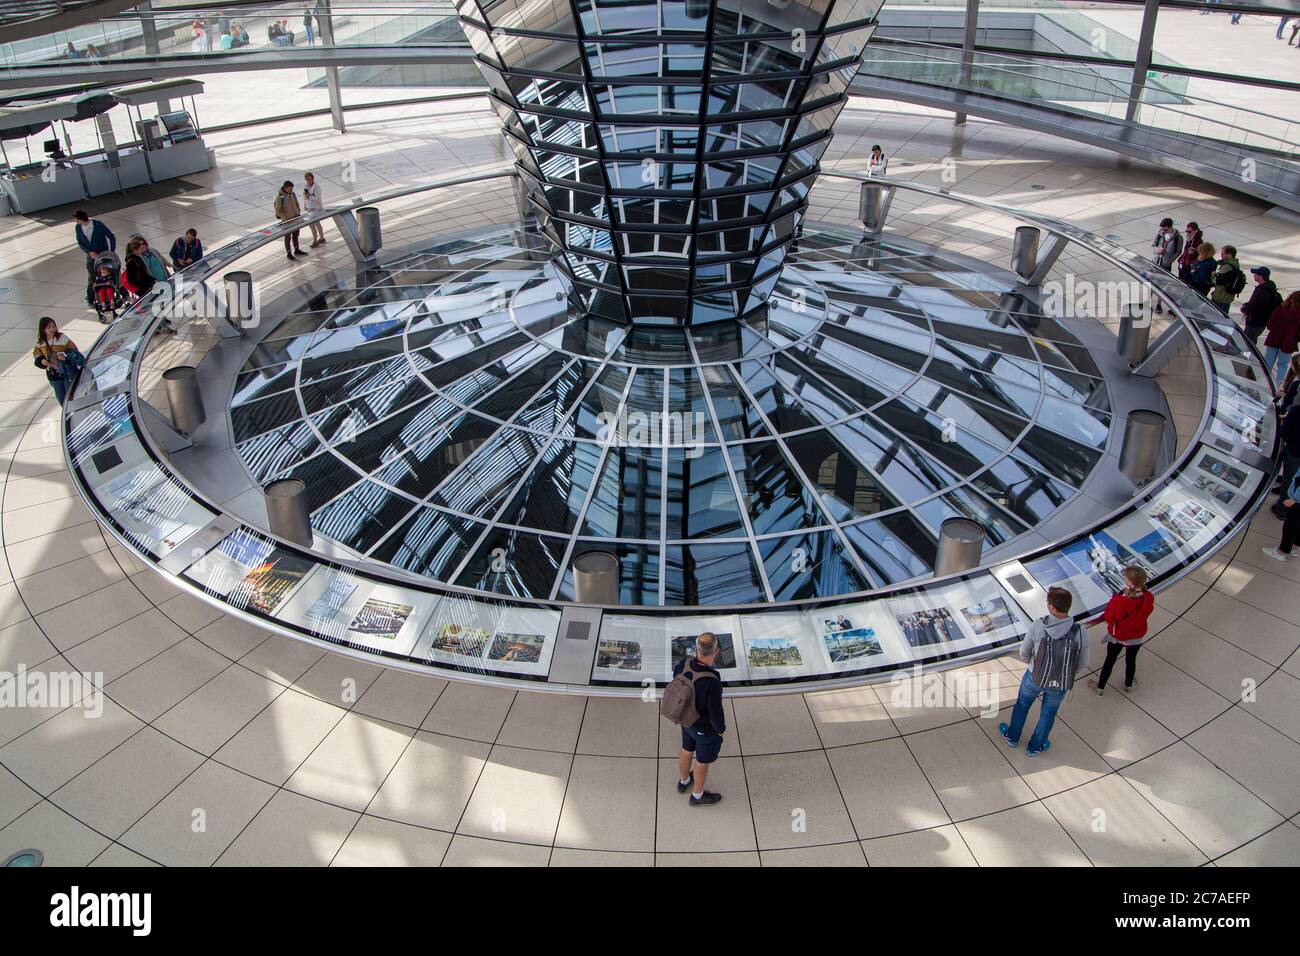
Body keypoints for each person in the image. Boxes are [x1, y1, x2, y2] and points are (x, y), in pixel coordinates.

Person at [999, 586, 1087, 757]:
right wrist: (1066, 673)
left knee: (1022, 705)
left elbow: (1024, 652)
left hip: (1034, 676)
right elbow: (1083, 662)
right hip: (1059, 682)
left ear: (1052, 607)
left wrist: (1032, 664)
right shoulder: (1079, 631)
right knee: (1048, 714)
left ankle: (1013, 737)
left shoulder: (1039, 625)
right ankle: (1035, 746)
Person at [672, 632, 726, 806]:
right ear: (715, 651)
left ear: (696, 649)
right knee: (702, 761)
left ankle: (684, 781)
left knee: (686, 748)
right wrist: (720, 729)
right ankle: (697, 796)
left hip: (685, 720)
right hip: (703, 727)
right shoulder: (712, 681)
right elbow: (715, 712)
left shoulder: (683, 664)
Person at [1090, 566, 1154, 696]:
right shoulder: (1148, 597)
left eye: (1126, 577)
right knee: (1131, 661)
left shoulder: (1121, 601)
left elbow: (1110, 617)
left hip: (1118, 636)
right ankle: (1128, 685)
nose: (1124, 578)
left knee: (1110, 661)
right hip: (1136, 636)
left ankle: (1100, 687)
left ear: (1131, 582)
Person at [33, 317, 85, 406]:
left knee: (71, 395)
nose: (52, 329)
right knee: (61, 398)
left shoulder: (62, 337)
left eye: (53, 326)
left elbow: (74, 351)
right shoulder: (41, 342)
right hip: (53, 374)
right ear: (43, 329)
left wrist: (65, 356)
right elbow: (36, 355)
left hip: (67, 372)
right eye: (48, 327)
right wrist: (42, 361)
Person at [73, 210, 116, 307]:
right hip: (91, 257)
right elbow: (80, 243)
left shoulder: (98, 225)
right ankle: (91, 299)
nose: (74, 221)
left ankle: (121, 294)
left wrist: (111, 252)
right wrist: (89, 252)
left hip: (103, 256)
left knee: (111, 274)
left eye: (75, 219)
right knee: (92, 278)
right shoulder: (78, 227)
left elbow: (111, 236)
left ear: (79, 219)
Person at [1262, 469, 1300, 563]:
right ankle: (1294, 547)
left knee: (1290, 526)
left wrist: (1295, 499)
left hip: (1297, 502)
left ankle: (1281, 552)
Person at [1263, 291, 1300, 382]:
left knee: (1268, 361)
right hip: (1289, 343)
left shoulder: (1279, 310)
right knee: (1283, 364)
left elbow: (1269, 325)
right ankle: (1279, 383)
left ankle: (1263, 379)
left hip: (1274, 338)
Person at [1241, 267, 1282, 346]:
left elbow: (1253, 305)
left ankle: (1249, 356)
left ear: (1261, 276)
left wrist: (1244, 309)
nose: (1253, 276)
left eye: (1255, 274)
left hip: (1255, 321)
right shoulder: (1268, 288)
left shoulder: (1262, 291)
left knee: (1248, 341)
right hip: (1261, 322)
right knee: (1250, 339)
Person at [1210, 244, 1244, 318]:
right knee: (1224, 316)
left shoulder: (1226, 266)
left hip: (1220, 296)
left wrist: (1213, 275)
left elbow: (1218, 281)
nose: (1221, 255)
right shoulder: (1235, 263)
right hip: (1229, 297)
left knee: (1214, 316)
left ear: (1229, 254)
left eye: (1223, 254)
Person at [275, 180, 306, 260]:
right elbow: (278, 211)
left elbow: (296, 203)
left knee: (296, 235)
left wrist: (298, 211)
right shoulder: (280, 197)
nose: (291, 191)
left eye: (292, 189)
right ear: (285, 188)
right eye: (289, 189)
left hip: (295, 218)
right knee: (287, 237)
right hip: (287, 221)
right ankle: (289, 253)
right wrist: (286, 217)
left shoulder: (292, 193)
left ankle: (297, 250)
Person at [302, 171, 326, 247]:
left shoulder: (317, 187)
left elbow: (318, 198)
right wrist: (305, 205)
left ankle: (316, 241)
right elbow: (304, 197)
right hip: (309, 208)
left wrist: (310, 196)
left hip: (316, 208)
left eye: (310, 179)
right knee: (313, 225)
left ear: (313, 179)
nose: (309, 181)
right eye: (307, 179)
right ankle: (320, 238)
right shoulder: (305, 187)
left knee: (315, 224)